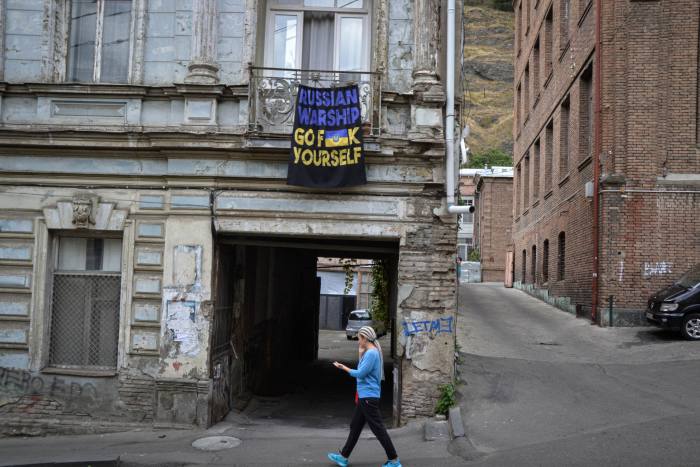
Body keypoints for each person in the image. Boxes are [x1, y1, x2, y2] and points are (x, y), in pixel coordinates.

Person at [328, 326, 401, 467]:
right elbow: (364, 370)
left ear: (365, 338)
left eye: (359, 338)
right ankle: (343, 457)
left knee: (378, 429)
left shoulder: (371, 353)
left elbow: (360, 373)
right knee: (355, 426)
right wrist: (360, 354)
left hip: (368, 397)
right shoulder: (369, 352)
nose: (358, 341)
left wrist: (344, 368)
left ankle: (394, 460)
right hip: (365, 396)